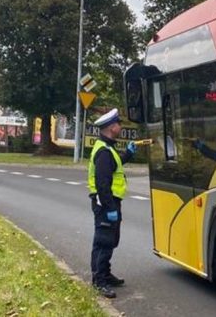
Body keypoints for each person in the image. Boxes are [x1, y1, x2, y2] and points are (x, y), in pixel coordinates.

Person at [88, 108, 137, 298]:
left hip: (110, 202)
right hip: (105, 203)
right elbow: (102, 184)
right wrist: (109, 208)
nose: (120, 126)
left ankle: (105, 274)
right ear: (111, 127)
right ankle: (99, 281)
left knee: (109, 240)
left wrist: (128, 154)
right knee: (103, 241)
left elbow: (114, 166)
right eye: (118, 124)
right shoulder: (103, 151)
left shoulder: (107, 148)